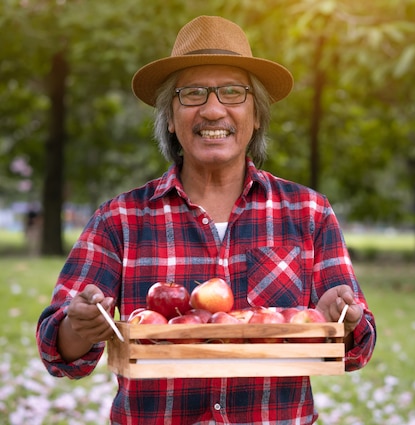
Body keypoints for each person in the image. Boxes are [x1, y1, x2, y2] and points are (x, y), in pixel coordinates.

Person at [36, 15, 376, 425]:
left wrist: (337, 319)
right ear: (169, 118)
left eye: (233, 93)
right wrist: (81, 324)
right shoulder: (119, 219)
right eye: (192, 94)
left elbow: (357, 348)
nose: (213, 110)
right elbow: (57, 352)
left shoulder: (308, 212)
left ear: (256, 116)